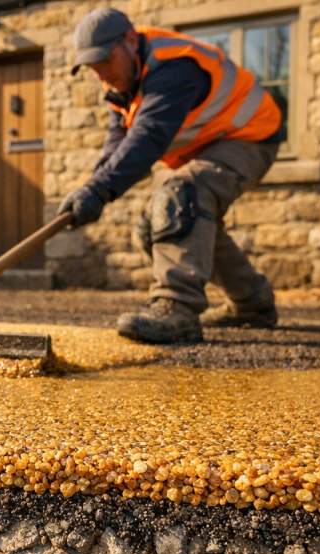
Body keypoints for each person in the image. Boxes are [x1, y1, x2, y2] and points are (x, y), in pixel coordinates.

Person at [57, 8, 284, 343]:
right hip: (208, 145)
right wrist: (92, 186)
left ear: (130, 41)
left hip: (250, 135)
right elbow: (119, 137)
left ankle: (177, 308)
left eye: (105, 61)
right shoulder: (122, 79)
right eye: (93, 68)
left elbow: (147, 138)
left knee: (180, 197)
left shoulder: (173, 67)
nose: (102, 74)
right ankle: (251, 302)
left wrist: (100, 189)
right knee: (153, 228)